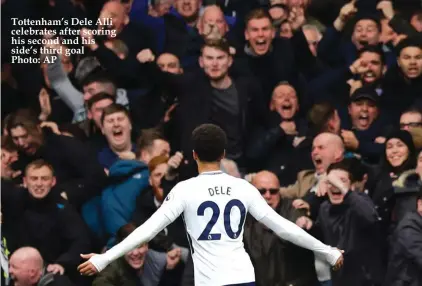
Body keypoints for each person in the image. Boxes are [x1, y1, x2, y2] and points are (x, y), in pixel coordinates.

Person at [78, 123, 344, 285]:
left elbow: (145, 231)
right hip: (242, 277)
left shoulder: (185, 189)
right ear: (223, 154)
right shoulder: (242, 188)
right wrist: (327, 250)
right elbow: (284, 227)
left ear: (194, 155)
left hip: (209, 281)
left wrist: (105, 257)